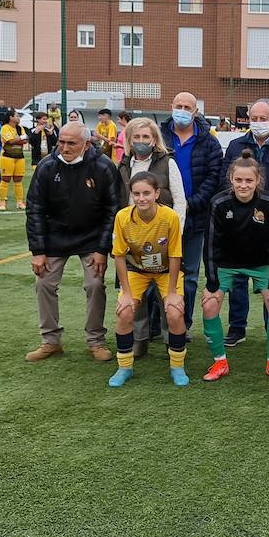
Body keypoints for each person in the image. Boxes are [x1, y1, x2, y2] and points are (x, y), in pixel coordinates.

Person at [25, 121, 122, 364]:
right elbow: (35, 209)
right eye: (61, 142)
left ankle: (96, 341)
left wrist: (102, 249)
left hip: (92, 237)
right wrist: (38, 251)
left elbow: (113, 210)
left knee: (95, 285)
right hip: (55, 236)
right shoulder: (47, 167)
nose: (64, 147)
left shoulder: (103, 167)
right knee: (44, 283)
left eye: (71, 143)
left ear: (86, 144)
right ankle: (50, 341)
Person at [219, 100, 269, 347]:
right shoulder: (236, 145)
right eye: (253, 118)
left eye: (262, 118)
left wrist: (266, 206)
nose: (257, 123)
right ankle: (237, 328)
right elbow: (227, 180)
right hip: (237, 223)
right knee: (237, 276)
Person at [201, 156, 269, 383]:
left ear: (258, 180)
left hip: (261, 264)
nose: (243, 185)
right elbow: (211, 244)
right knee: (210, 304)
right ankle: (220, 361)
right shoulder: (218, 203)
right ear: (231, 179)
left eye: (249, 180)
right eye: (238, 179)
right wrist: (212, 280)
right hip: (227, 264)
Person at [109, 172, 189, 388]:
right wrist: (126, 293)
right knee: (125, 311)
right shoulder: (122, 217)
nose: (141, 198)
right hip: (137, 270)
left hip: (165, 271)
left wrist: (172, 292)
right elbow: (118, 256)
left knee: (174, 312)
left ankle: (177, 366)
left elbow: (175, 256)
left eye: (146, 193)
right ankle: (124, 367)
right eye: (136, 194)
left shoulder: (169, 216)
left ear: (157, 193)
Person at [118, 117, 187, 358]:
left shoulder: (167, 163)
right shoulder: (124, 164)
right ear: (129, 139)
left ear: (154, 139)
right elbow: (121, 201)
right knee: (135, 296)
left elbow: (180, 200)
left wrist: (174, 233)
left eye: (145, 137)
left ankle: (171, 341)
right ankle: (139, 340)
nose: (140, 141)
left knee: (166, 294)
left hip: (163, 239)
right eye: (136, 137)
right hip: (133, 238)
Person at [161, 91, 224, 337]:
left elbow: (214, 177)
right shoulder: (160, 135)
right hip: (163, 218)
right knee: (160, 272)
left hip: (196, 218)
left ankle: (183, 325)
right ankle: (159, 323)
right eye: (179, 105)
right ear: (171, 106)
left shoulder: (209, 141)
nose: (183, 110)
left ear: (195, 112)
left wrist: (191, 204)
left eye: (188, 107)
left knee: (189, 276)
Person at [0, 108, 28, 211]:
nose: (18, 118)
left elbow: (26, 140)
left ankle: (20, 202)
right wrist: (20, 139)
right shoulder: (5, 128)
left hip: (19, 157)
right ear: (11, 117)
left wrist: (18, 140)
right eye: (17, 116)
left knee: (18, 180)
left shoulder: (20, 128)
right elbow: (10, 141)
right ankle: (2, 202)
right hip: (7, 157)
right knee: (5, 179)